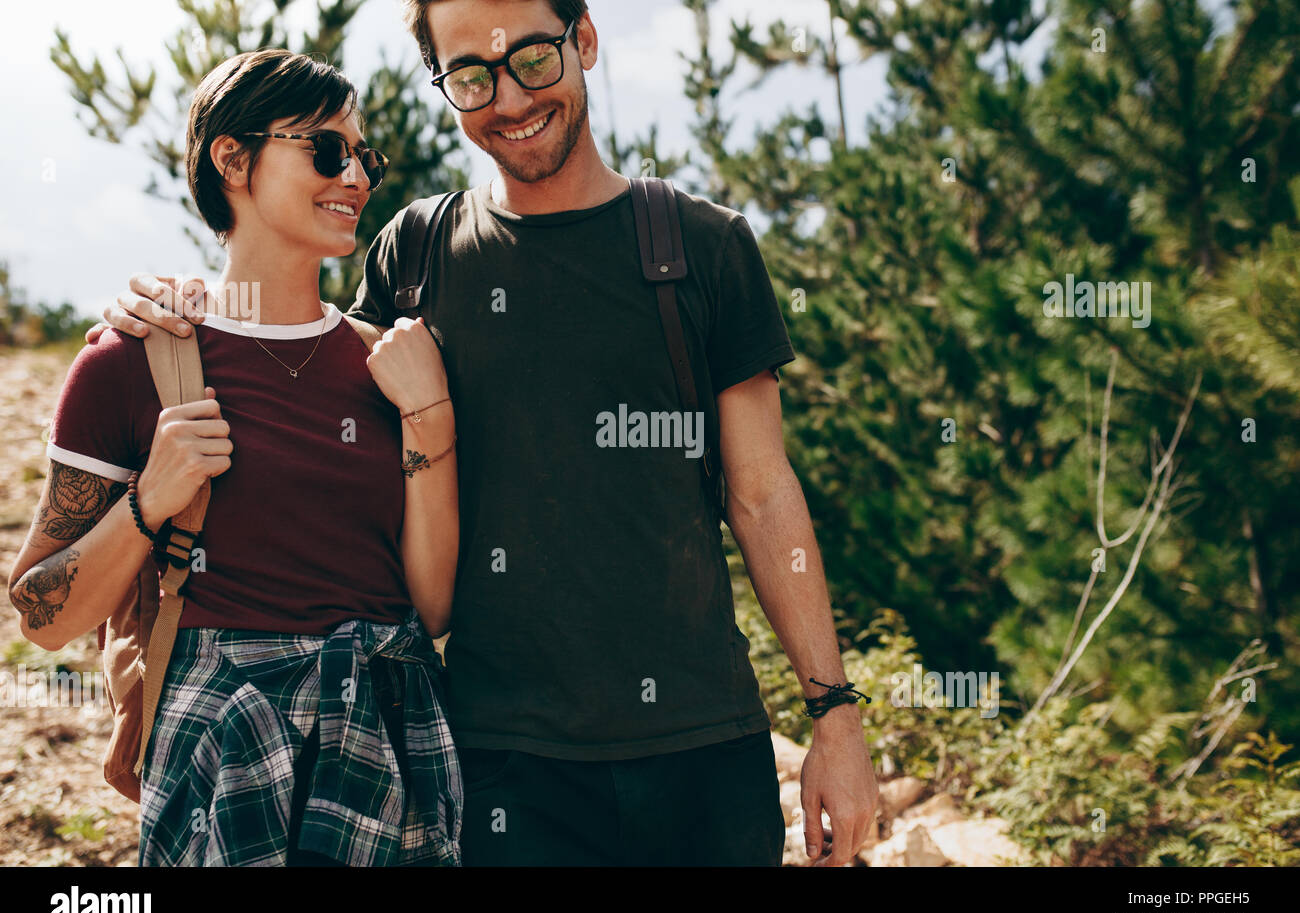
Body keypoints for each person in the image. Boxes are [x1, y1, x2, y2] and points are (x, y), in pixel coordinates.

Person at [95, 0, 879, 867]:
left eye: (534, 59)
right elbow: (306, 386)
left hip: (703, 750)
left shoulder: (702, 246)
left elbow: (763, 494)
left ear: (584, 41)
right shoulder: (414, 255)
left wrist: (834, 714)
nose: (507, 98)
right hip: (495, 768)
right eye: (471, 76)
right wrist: (185, 308)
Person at [9, 49, 463, 866]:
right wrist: (149, 502)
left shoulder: (392, 368)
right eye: (326, 149)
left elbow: (429, 610)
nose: (356, 173)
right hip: (224, 756)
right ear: (232, 158)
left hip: (388, 750)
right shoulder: (132, 360)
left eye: (365, 154)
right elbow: (42, 617)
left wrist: (431, 420)